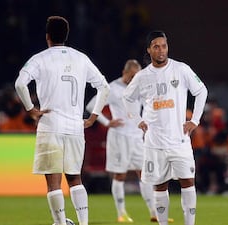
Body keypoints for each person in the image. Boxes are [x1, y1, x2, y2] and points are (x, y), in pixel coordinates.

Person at [14, 16, 110, 225]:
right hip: (76, 127)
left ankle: (59, 223)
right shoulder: (81, 58)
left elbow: (20, 84)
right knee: (75, 178)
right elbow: (104, 87)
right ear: (66, 36)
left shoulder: (40, 58)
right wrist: (93, 116)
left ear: (47, 36)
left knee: (54, 181)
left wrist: (31, 110)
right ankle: (83, 223)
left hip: (50, 126)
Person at [123, 30, 208, 225]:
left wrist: (195, 120)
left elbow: (201, 90)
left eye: (164, 46)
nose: (161, 50)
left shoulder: (181, 69)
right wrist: (138, 120)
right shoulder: (143, 76)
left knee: (188, 182)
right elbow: (127, 98)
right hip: (154, 143)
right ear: (149, 50)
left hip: (179, 140)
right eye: (156, 46)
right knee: (159, 186)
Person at [86, 59, 173, 223]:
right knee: (120, 175)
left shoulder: (140, 87)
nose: (134, 78)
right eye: (132, 75)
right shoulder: (112, 88)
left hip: (137, 137)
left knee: (145, 174)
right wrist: (107, 122)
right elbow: (92, 106)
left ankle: (154, 212)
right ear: (124, 73)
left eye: (137, 76)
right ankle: (122, 213)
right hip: (119, 137)